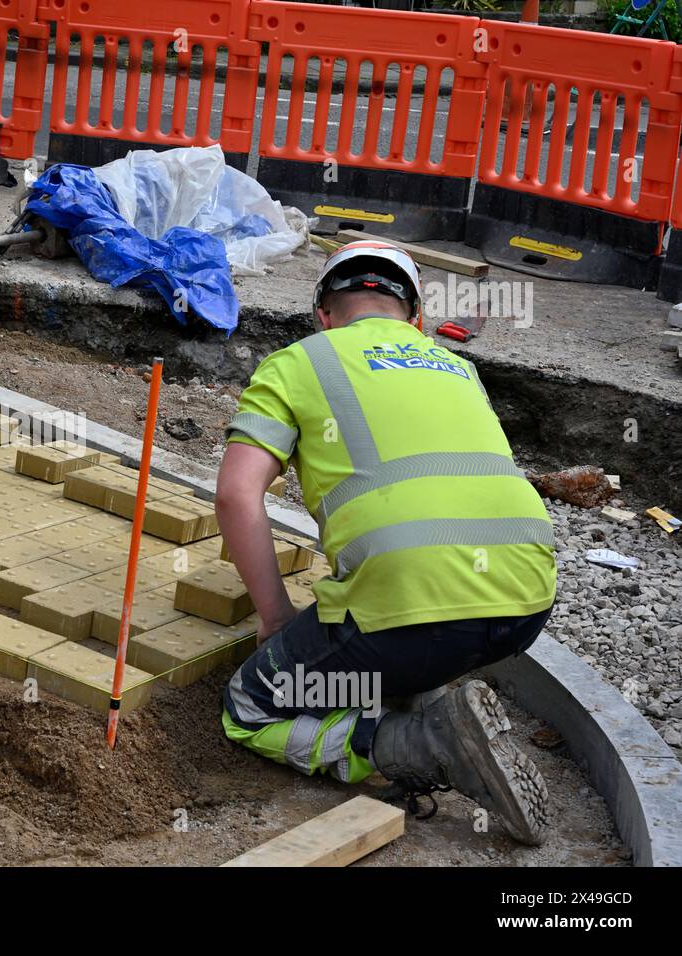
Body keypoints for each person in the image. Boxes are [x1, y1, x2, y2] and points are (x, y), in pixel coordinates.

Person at [215, 240, 557, 844]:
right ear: (416, 318)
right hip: (526, 605)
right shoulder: (460, 368)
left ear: (322, 313)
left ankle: (418, 744)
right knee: (409, 634)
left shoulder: (300, 361)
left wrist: (273, 616)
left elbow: (237, 496)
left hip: (410, 613)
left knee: (250, 706)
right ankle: (420, 693)